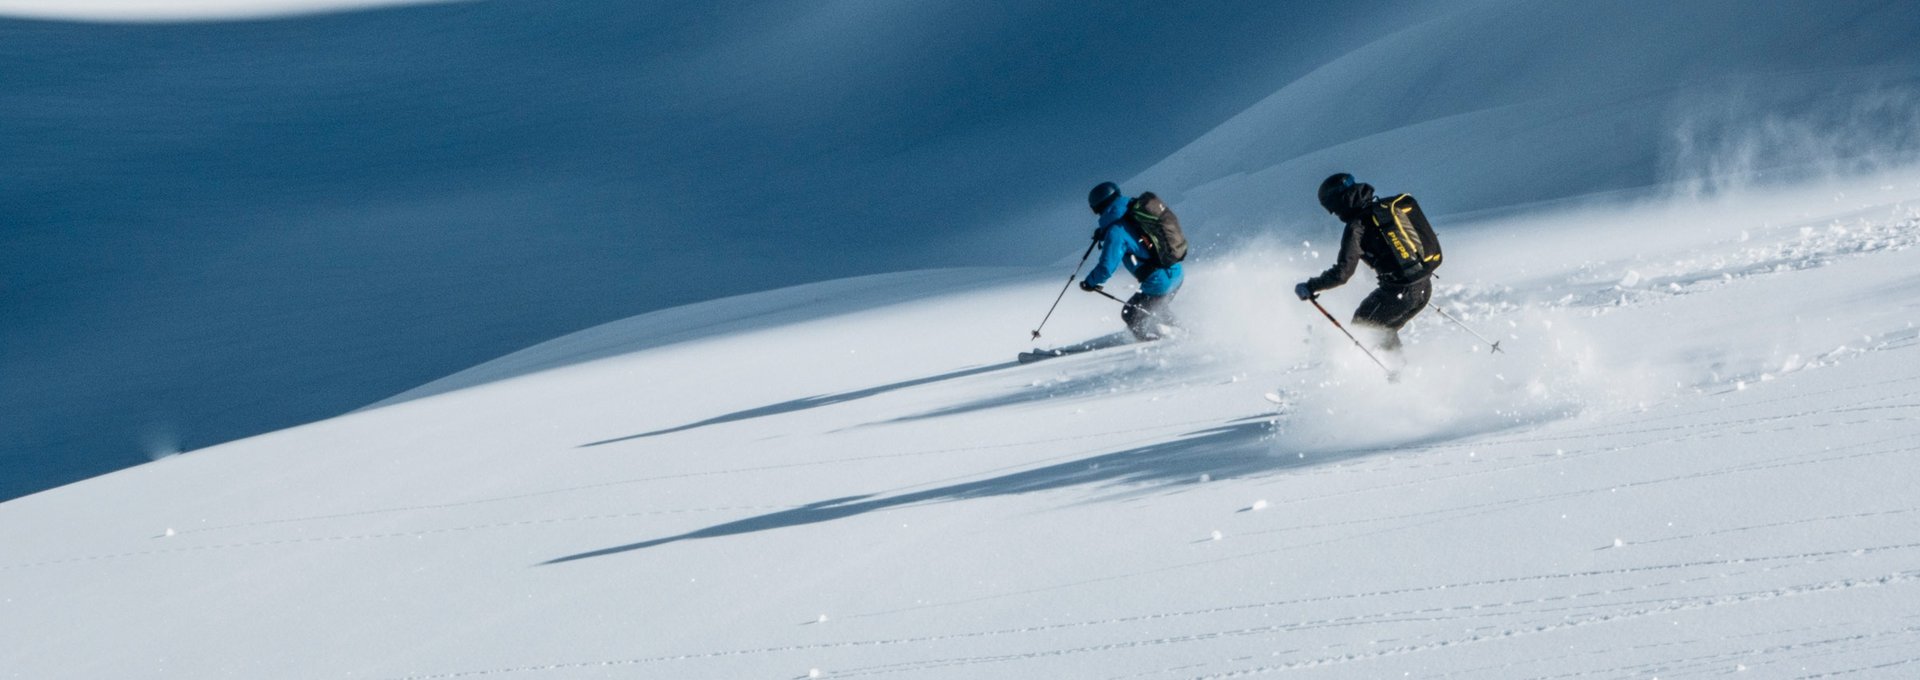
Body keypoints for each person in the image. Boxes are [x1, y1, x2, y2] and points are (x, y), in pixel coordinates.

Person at [1293, 173, 1436, 352]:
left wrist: (1311, 286)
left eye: (1331, 208)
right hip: (1424, 286)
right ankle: (1398, 372)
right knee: (1383, 330)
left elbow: (1342, 274)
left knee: (1363, 329)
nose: (1334, 213)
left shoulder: (1357, 227)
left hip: (1400, 292)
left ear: (1338, 202)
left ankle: (1395, 372)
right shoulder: (1383, 208)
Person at [1082, 181, 1183, 341]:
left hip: (1159, 281)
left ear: (1098, 207)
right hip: (1176, 271)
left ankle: (1153, 345)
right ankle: (1182, 332)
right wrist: (1104, 231)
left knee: (1130, 314)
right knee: (1157, 309)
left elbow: (1106, 267)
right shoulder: (1133, 210)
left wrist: (1090, 282)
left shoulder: (1115, 231)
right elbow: (1131, 232)